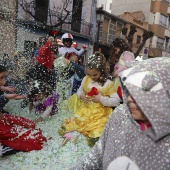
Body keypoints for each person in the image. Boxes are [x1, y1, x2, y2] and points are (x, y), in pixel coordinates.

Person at [70, 57, 170, 170]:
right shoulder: (121, 115)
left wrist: (102, 99)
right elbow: (96, 155)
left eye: (143, 91)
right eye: (131, 89)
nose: (130, 98)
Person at [59, 52, 121, 146]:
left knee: (97, 129)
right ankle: (73, 135)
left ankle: (93, 139)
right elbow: (79, 91)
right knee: (77, 122)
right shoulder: (86, 79)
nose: (92, 77)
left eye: (95, 75)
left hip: (100, 113)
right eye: (89, 74)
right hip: (85, 109)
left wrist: (101, 99)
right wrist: (81, 96)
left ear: (102, 71)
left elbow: (117, 101)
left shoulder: (108, 83)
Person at [0, 65, 47, 157]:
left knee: (31, 125)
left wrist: (4, 91)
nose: (4, 81)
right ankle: (4, 149)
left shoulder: (2, 86)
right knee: (35, 140)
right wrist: (4, 97)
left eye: (5, 77)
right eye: (1, 78)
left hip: (2, 116)